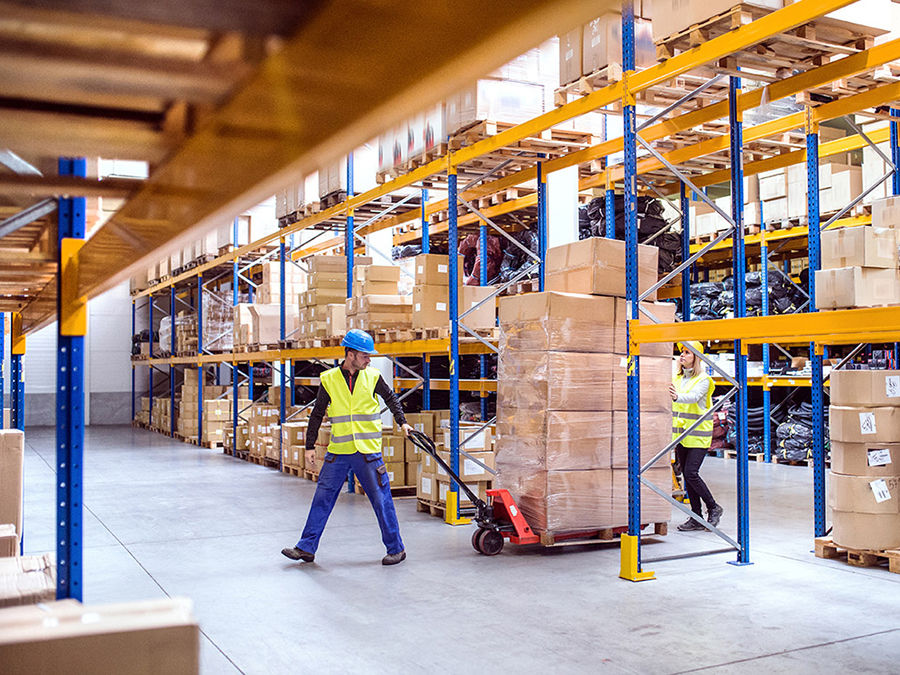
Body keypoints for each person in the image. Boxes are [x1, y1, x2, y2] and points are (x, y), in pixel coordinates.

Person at [282, 329, 413, 565]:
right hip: (339, 452)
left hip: (367, 452)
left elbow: (392, 399)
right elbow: (317, 414)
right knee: (322, 498)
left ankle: (396, 548)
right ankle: (306, 547)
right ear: (351, 354)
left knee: (381, 500)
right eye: (365, 355)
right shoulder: (329, 379)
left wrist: (403, 423)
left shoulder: (373, 377)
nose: (369, 359)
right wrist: (309, 446)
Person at [669, 340, 723, 532]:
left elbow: (691, 397)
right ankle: (696, 517)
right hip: (681, 435)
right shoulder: (677, 378)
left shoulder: (704, 381)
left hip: (698, 435)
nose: (682, 355)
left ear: (697, 358)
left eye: (687, 353)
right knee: (686, 475)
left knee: (692, 473)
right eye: (681, 352)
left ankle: (713, 507)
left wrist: (675, 397)